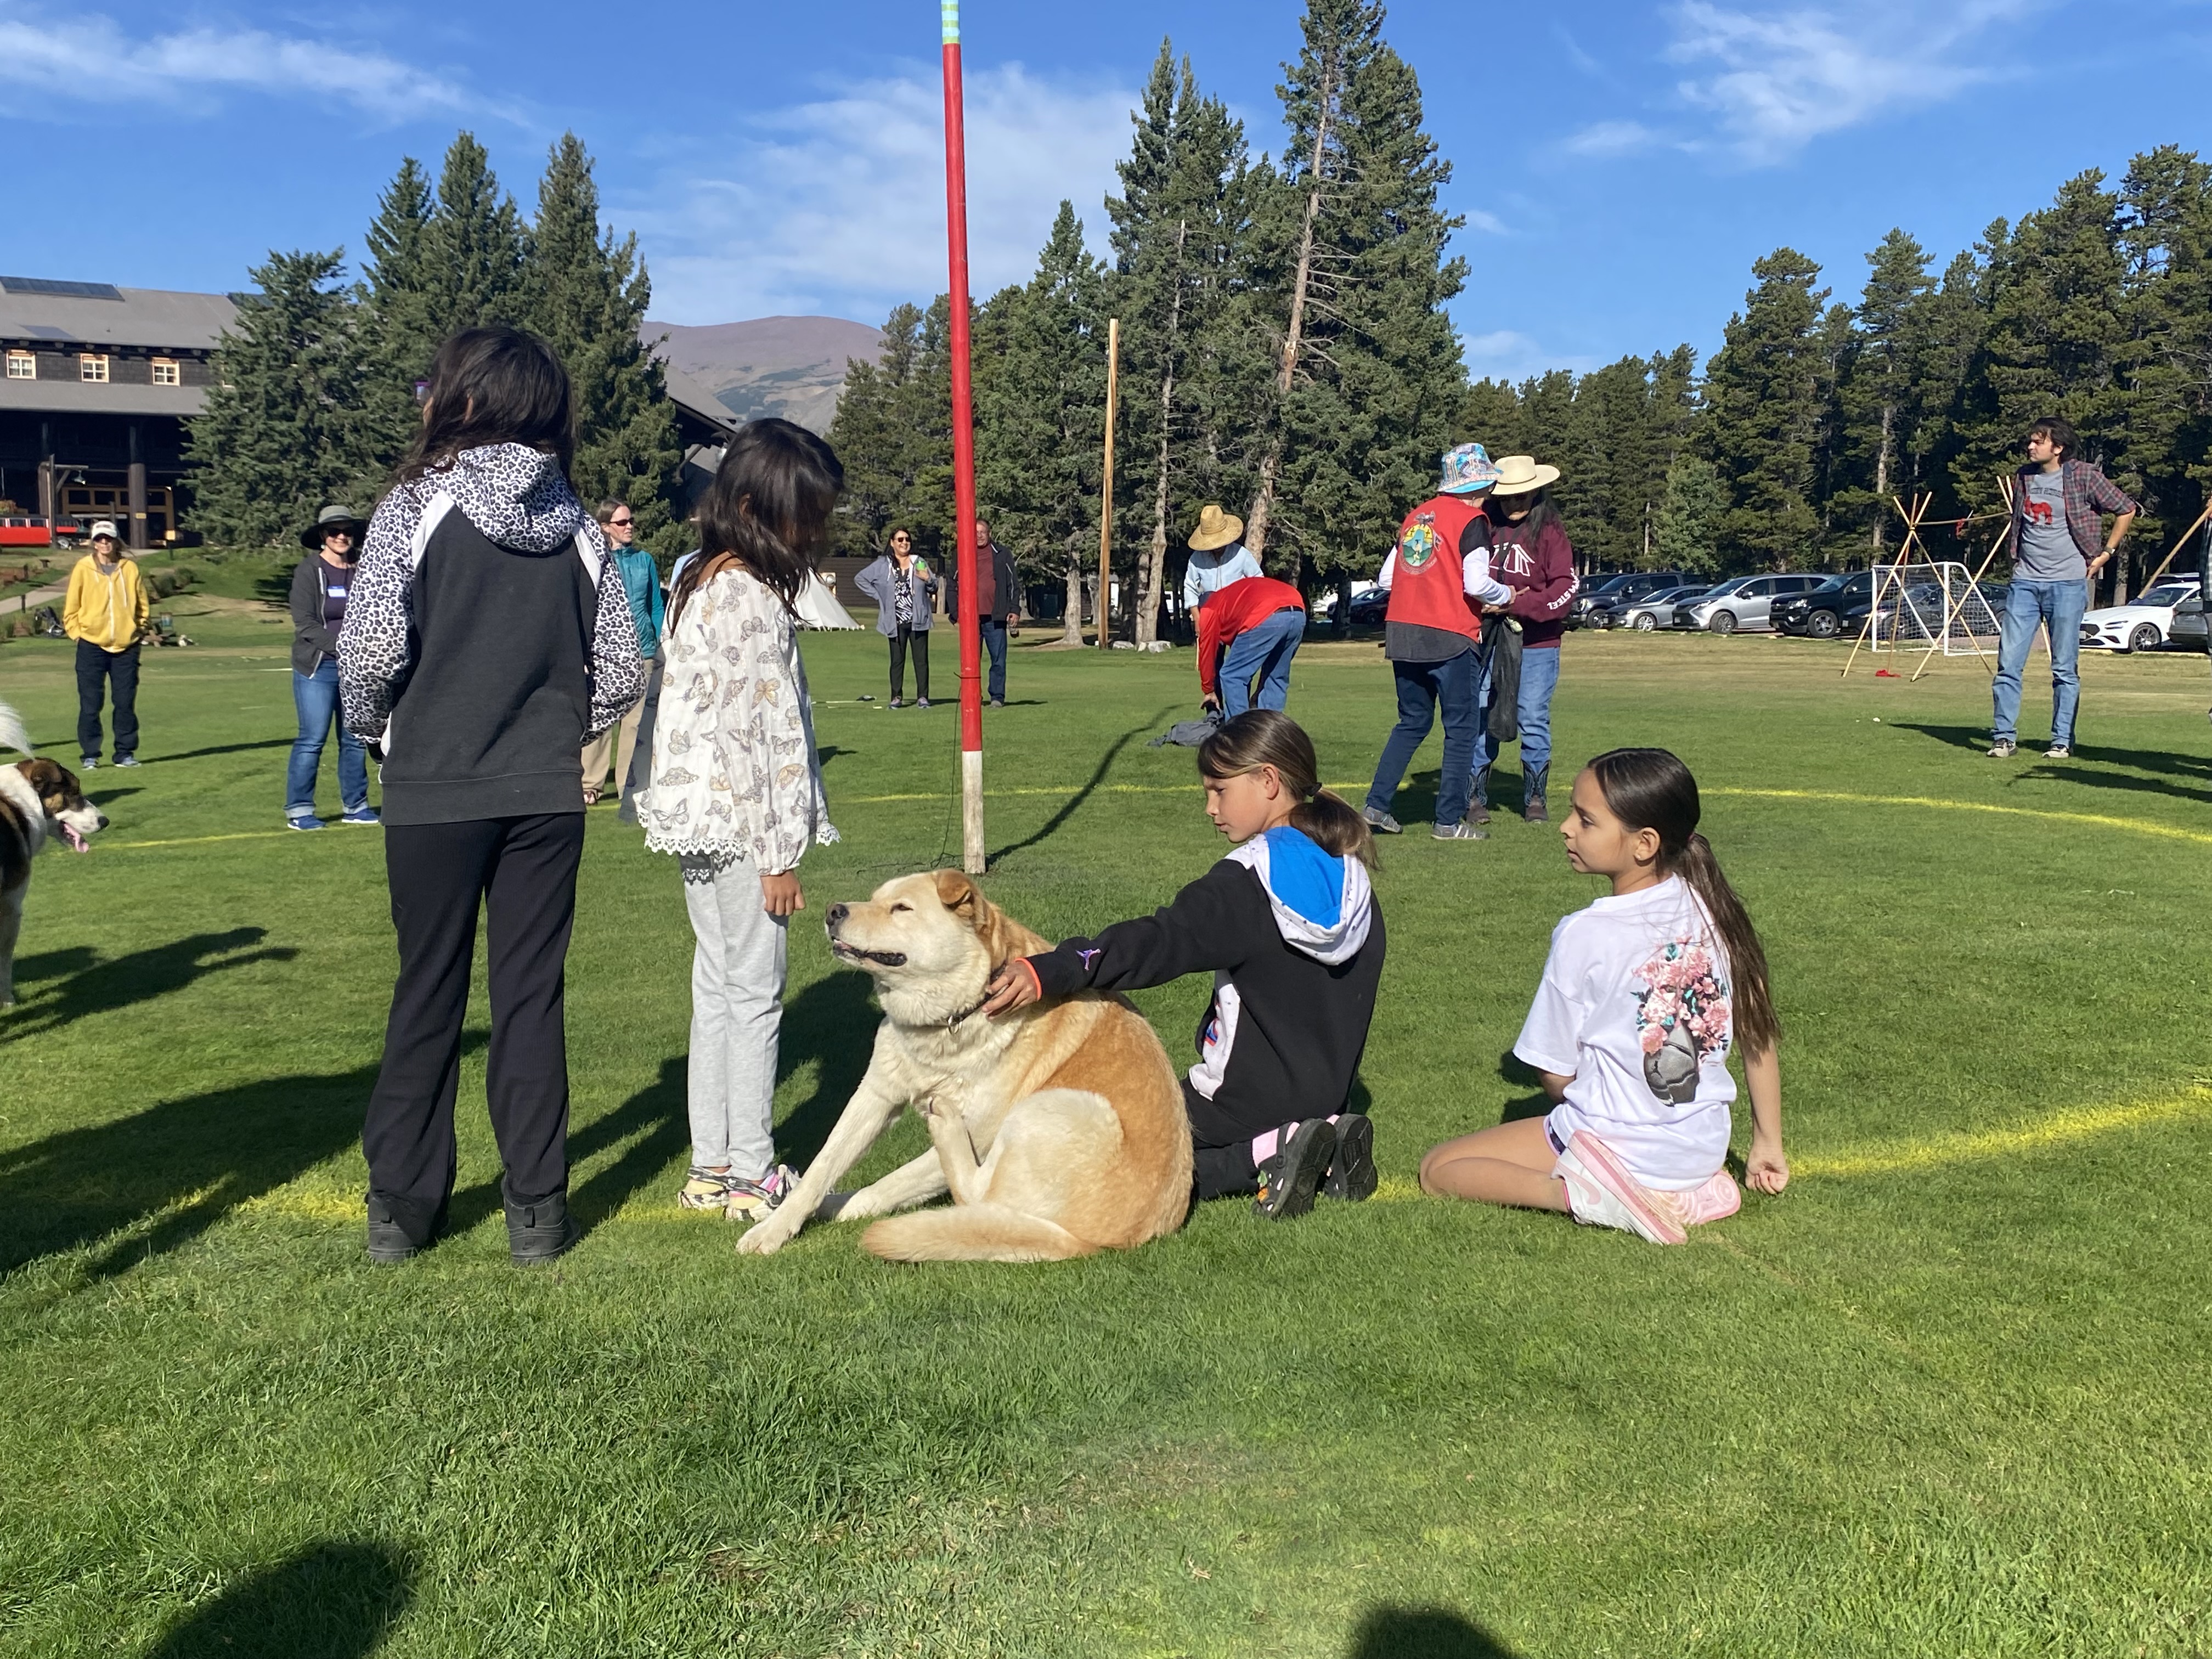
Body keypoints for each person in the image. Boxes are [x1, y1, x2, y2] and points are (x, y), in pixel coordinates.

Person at [340, 326, 645, 1266]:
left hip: (434, 787)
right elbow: (625, 666)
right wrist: (564, 733)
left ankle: (403, 1207)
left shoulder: (415, 504)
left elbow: (370, 650)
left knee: (426, 992)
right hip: (545, 794)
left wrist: (376, 730)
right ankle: (537, 1213)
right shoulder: (582, 524)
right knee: (529, 998)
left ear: (462, 397)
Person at [980, 710, 1384, 1221]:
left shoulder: (1245, 883)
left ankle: (1269, 1151)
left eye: (1218, 790)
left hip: (1236, 1105)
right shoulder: (1352, 872)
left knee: (1121, 1157)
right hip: (1327, 1091)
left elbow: (1157, 942)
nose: (1209, 808)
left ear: (1268, 780)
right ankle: (1319, 1137)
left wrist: (1050, 969)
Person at [1418, 747, 1787, 1244]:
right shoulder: (1714, 907)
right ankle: (1689, 1192)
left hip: (1617, 1147)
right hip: (1702, 1149)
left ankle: (1583, 1194)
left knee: (1440, 1168)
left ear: (1645, 844)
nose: (1566, 827)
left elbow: (1553, 1073)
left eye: (1586, 820)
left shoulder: (1584, 933)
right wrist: (1767, 1142)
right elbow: (1756, 1035)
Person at [636, 418, 842, 1222]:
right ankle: (753, 1171)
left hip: (700, 824)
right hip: (741, 830)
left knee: (718, 987)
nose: (814, 533)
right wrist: (777, 854)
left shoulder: (698, 578)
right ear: (755, 506)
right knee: (753, 995)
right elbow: (750, 733)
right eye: (805, 516)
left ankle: (713, 1163)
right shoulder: (747, 596)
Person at [1361, 443, 1511, 842]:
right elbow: (1476, 583)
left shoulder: (1415, 516)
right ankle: (1447, 821)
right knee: (1461, 729)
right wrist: (1507, 596)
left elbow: (1388, 579)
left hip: (1403, 631)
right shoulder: (1472, 519)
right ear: (1481, 484)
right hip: (1449, 633)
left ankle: (1377, 805)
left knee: (1411, 722)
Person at [1990, 416, 2137, 760]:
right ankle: (2003, 738)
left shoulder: (2083, 475)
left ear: (2058, 447)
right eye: (2031, 441)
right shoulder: (2024, 476)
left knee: (2064, 669)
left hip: (2068, 583)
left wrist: (2106, 553)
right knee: (2009, 664)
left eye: (2038, 442)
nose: (2031, 446)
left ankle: (2061, 740)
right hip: (2025, 582)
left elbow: (2126, 509)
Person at [1472, 454, 1578, 825]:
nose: (1514, 504)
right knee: (1480, 713)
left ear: (1535, 492)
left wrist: (1520, 604)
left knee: (1533, 716)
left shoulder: (1550, 530)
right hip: (1487, 641)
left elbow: (1566, 588)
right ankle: (1474, 795)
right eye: (1506, 498)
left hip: (1537, 642)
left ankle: (1535, 797)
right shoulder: (1481, 526)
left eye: (1521, 496)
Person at [285, 505, 377, 829]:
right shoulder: (309, 570)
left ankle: (357, 806)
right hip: (318, 666)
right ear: (323, 535)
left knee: (354, 739)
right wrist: (343, 648)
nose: (342, 536)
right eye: (334, 531)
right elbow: (306, 624)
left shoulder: (364, 566)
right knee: (312, 739)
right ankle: (299, 811)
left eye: (347, 531)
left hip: (358, 669)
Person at [579, 499, 665, 804]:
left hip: (643, 651)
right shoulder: (593, 557)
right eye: (621, 523)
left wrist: (656, 643)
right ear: (605, 527)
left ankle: (630, 785)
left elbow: (655, 605)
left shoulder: (645, 561)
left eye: (631, 522)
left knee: (636, 724)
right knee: (600, 720)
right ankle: (591, 784)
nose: (629, 527)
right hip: (603, 654)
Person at [63, 518, 148, 770]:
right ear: (93, 542)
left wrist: (139, 628)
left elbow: (142, 604)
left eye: (107, 539)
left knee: (124, 703)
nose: (103, 543)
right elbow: (72, 606)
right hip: (91, 646)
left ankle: (124, 753)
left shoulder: (130, 568)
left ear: (115, 540)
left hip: (126, 647)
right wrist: (77, 633)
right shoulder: (83, 568)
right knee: (91, 705)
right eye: (99, 539)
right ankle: (90, 754)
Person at [1198, 573, 1306, 717]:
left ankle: (1241, 732)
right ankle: (1269, 733)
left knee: (1232, 675)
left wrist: (1209, 690)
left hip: (1266, 612)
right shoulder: (1231, 597)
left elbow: (1207, 652)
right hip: (1297, 611)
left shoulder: (1209, 608)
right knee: (1276, 676)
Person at [853, 526, 937, 708]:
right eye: (900, 540)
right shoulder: (884, 565)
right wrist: (879, 596)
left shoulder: (918, 561)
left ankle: (923, 697)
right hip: (895, 621)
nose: (904, 543)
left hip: (918, 620)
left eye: (907, 539)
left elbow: (933, 586)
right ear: (892, 543)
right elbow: (860, 579)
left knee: (921, 661)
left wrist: (928, 579)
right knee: (897, 661)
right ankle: (896, 697)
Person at [949, 518, 1020, 705]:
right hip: (970, 618)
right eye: (975, 532)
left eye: (983, 532)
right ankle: (972, 697)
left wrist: (1014, 609)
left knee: (998, 660)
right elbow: (952, 585)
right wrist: (956, 613)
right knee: (971, 661)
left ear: (989, 534)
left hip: (995, 617)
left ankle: (997, 697)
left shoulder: (1002, 554)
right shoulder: (961, 554)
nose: (979, 535)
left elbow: (1013, 584)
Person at [1182, 504, 1263, 616]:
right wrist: (1197, 618)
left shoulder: (1241, 554)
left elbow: (1257, 581)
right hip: (1209, 611)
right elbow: (1190, 587)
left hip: (1237, 611)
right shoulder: (1197, 558)